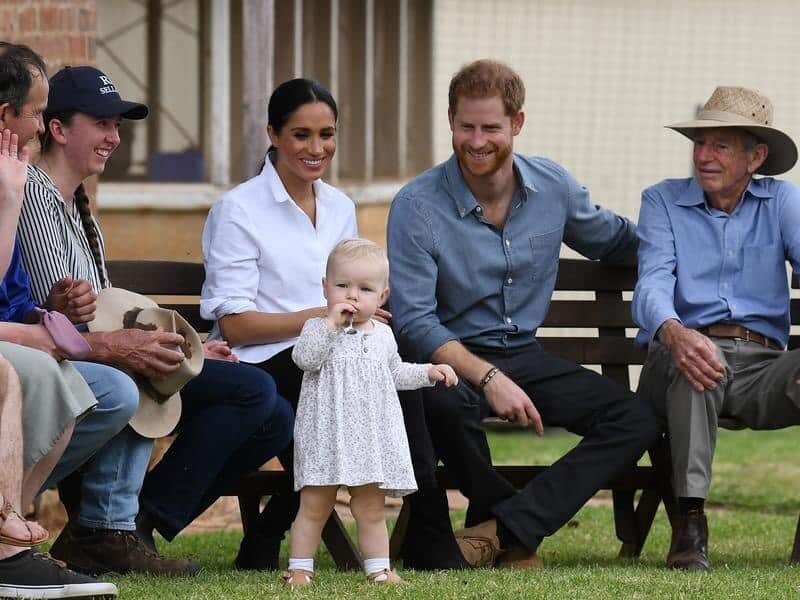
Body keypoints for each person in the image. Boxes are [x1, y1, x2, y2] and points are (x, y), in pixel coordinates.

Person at [15, 64, 294, 575]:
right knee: (251, 391)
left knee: (272, 413)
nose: (113, 138)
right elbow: (80, 323)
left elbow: (105, 309)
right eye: (101, 124)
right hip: (68, 359)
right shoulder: (34, 193)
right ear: (57, 129)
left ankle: (130, 523)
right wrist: (156, 347)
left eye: (117, 126)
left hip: (98, 352)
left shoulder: (78, 206)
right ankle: (109, 527)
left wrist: (189, 348)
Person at [387, 59, 661, 570]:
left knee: (636, 418)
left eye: (491, 127)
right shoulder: (417, 205)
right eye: (466, 125)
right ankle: (500, 533)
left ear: (517, 123)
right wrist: (488, 377)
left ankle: (509, 528)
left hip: (525, 357)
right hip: (447, 361)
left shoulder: (551, 187)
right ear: (450, 120)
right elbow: (417, 323)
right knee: (445, 404)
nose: (476, 140)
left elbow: (616, 240)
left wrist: (687, 237)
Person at [201, 78, 373, 570]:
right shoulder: (238, 210)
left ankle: (270, 532)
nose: (316, 148)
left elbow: (351, 286)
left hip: (330, 353)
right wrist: (321, 317)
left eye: (327, 134)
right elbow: (234, 327)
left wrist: (362, 310)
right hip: (260, 361)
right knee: (341, 400)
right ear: (273, 134)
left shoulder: (341, 207)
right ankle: (270, 537)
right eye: (301, 135)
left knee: (393, 389)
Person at [633, 86, 800, 571]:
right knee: (698, 360)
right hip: (678, 358)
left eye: (720, 145)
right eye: (699, 143)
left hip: (761, 367)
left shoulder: (782, 201)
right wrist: (675, 332)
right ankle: (690, 522)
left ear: (756, 156)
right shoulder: (663, 200)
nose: (703, 156)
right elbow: (651, 285)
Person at [0, 41, 118, 598]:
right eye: (37, 113)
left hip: (20, 334)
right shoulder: (22, 186)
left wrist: (45, 317)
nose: (42, 125)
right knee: (70, 377)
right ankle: (12, 540)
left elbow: (15, 291)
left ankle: (90, 528)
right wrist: (43, 329)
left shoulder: (24, 181)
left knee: (93, 380)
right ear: (10, 117)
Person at [283, 239, 457, 587]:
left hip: (370, 439)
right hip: (326, 435)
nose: (352, 295)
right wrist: (330, 324)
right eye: (342, 285)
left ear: (382, 296)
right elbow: (305, 359)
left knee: (370, 508)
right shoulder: (317, 328)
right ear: (325, 287)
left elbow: (394, 374)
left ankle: (379, 569)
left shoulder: (383, 336)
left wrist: (427, 372)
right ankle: (300, 569)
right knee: (315, 505)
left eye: (365, 289)